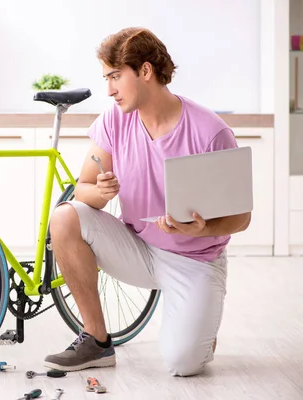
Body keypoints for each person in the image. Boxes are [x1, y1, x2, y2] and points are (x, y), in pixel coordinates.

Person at [44, 27, 251, 377]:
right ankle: (96, 340)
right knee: (64, 217)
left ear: (145, 71)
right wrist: (102, 193)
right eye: (106, 77)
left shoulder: (210, 131)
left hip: (195, 260)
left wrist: (205, 228)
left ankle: (199, 331)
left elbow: (242, 218)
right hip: (137, 247)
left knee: (183, 364)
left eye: (115, 76)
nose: (109, 89)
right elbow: (82, 189)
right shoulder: (114, 119)